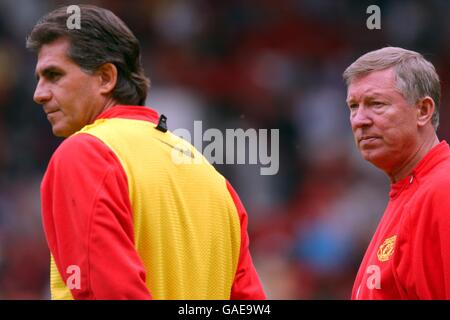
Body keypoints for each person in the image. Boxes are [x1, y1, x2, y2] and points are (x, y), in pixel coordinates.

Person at [27, 5, 266, 300]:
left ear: (105, 78)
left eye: (54, 75)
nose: (39, 93)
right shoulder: (214, 179)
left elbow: (110, 294)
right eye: (39, 78)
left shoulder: (85, 154)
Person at [343, 46, 450, 299]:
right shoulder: (411, 189)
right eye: (353, 106)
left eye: (376, 104)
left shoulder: (442, 190)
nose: (359, 119)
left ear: (423, 110)